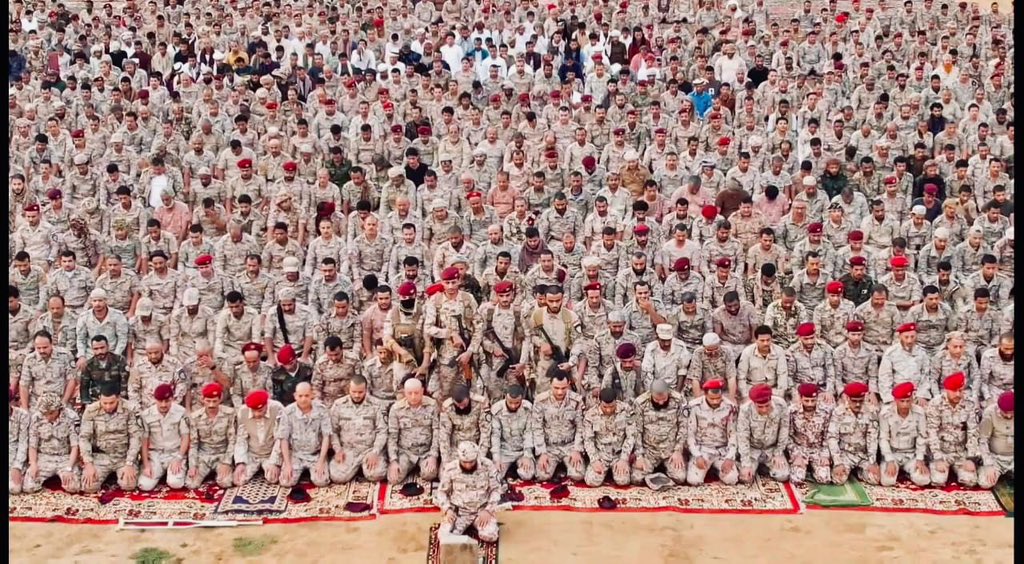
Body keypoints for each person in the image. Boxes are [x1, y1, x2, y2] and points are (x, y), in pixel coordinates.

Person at [79, 382, 141, 493]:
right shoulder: (91, 410)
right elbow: (84, 438)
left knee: (129, 485)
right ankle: (108, 475)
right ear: (99, 398)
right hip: (101, 456)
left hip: (123, 456)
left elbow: (135, 436)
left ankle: (118, 475)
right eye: (105, 403)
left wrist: (130, 463)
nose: (108, 406)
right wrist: (88, 464)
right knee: (88, 487)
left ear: (118, 398)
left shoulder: (129, 409)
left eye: (111, 403)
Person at [437, 441, 501, 543]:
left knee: (491, 535)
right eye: (464, 462)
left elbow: (496, 490)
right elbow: (441, 493)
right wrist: (447, 510)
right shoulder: (450, 468)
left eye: (471, 462)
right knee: (444, 537)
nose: (468, 466)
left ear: (477, 457)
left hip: (481, 511)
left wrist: (488, 510)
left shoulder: (487, 466)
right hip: (458, 512)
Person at [329, 376, 388, 483]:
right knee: (337, 477)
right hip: (348, 450)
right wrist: (338, 450)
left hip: (369, 449)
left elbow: (382, 431)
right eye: (354, 392)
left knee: (377, 475)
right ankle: (356, 468)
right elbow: (333, 431)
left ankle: (364, 467)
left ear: (366, 389)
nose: (357, 395)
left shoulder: (377, 404)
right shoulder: (338, 405)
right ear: (349, 389)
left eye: (360, 392)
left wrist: (375, 452)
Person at [529, 369, 585, 482]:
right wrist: (542, 452)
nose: (560, 392)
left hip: (570, 446)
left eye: (563, 388)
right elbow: (537, 428)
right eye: (556, 388)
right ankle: (556, 468)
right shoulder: (540, 401)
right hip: (549, 447)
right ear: (550, 384)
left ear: (568, 384)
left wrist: (577, 450)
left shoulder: (576, 401)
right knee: (542, 475)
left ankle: (568, 467)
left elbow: (581, 427)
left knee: (578, 476)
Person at [925, 373, 980, 487]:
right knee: (938, 481)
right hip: (942, 451)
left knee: (970, 481)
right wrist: (938, 458)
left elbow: (973, 432)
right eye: (954, 391)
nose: (958, 394)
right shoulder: (935, 404)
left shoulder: (970, 404)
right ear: (946, 390)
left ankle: (959, 469)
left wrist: (971, 458)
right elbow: (931, 432)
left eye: (961, 390)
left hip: (961, 452)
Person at [631, 380, 687, 486]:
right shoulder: (640, 402)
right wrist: (639, 456)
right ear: (650, 393)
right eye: (657, 400)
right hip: (649, 450)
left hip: (670, 449)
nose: (661, 403)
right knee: (636, 479)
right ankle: (657, 469)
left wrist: (678, 451)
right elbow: (636, 431)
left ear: (668, 392)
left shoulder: (679, 399)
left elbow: (683, 426)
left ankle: (665, 468)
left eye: (664, 399)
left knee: (680, 478)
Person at [277, 382, 332, 488]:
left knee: (322, 481)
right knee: (286, 482)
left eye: (307, 395)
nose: (303, 399)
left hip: (315, 454)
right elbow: (283, 439)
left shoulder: (321, 410)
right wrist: (288, 464)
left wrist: (321, 461)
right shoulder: (288, 412)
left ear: (312, 395)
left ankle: (319, 467)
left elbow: (326, 436)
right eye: (300, 396)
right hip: (296, 454)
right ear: (295, 396)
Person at [22, 394, 81, 494]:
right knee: (29, 487)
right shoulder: (37, 417)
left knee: (73, 488)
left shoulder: (71, 417)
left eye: (50, 413)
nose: (47, 417)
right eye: (44, 414)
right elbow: (33, 446)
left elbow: (75, 446)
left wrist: (69, 468)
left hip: (64, 458)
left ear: (58, 409)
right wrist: (33, 464)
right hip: (44, 457)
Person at [686, 379, 739, 486]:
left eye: (718, 398)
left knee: (732, 480)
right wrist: (697, 455)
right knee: (693, 481)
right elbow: (690, 435)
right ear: (705, 394)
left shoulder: (730, 407)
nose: (715, 401)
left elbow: (733, 435)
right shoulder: (694, 406)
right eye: (712, 399)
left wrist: (729, 458)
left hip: (722, 450)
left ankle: (716, 469)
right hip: (702, 449)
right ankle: (704, 467)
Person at [387, 378, 440, 483]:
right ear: (404, 392)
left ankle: (421, 468)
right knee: (394, 478)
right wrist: (393, 460)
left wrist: (433, 456)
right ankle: (408, 467)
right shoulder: (396, 409)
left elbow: (437, 431)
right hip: (405, 452)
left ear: (422, 391)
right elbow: (392, 436)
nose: (413, 397)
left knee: (430, 474)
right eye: (409, 393)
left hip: (426, 451)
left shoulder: (432, 405)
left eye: (416, 393)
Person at [827, 382, 881, 485]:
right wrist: (837, 462)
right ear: (847, 398)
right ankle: (850, 471)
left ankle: (860, 472)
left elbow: (872, 438)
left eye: (860, 401)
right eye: (854, 401)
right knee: (838, 480)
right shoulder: (839, 412)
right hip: (845, 454)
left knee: (875, 479)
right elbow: (832, 437)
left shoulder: (871, 411)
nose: (857, 404)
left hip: (863, 455)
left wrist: (872, 462)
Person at [138, 384, 189, 491]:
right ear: (154, 399)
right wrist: (146, 465)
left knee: (175, 483)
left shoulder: (181, 412)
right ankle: (159, 473)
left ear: (172, 399)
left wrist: (179, 458)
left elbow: (185, 437)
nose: (163, 404)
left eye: (167, 401)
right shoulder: (146, 415)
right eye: (160, 401)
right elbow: (144, 441)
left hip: (175, 453)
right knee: (144, 486)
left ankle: (171, 474)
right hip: (155, 455)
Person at [878, 383, 931, 487]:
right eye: (902, 401)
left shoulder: (919, 413)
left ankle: (908, 472)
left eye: (908, 401)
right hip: (893, 453)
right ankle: (896, 469)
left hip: (911, 454)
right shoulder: (885, 414)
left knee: (923, 480)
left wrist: (920, 459)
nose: (905, 405)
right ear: (895, 400)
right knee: (887, 481)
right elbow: (883, 439)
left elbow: (922, 436)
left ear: (912, 398)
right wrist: (889, 460)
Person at [185, 382, 235, 490]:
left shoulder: (230, 414)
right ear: (202, 399)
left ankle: (220, 472)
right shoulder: (195, 417)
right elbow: (193, 444)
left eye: (214, 401)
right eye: (208, 401)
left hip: (222, 454)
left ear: (220, 398)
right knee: (191, 484)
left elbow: (232, 441)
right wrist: (192, 466)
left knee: (225, 482)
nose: (211, 405)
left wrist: (227, 462)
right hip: (203, 456)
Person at [736, 384, 790, 483]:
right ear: (754, 403)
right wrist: (746, 464)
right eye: (760, 407)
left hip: (771, 449)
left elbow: (784, 429)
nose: (764, 409)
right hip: (753, 449)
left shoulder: (780, 405)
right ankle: (749, 465)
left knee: (783, 476)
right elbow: (743, 437)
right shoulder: (745, 410)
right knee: (745, 479)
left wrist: (778, 453)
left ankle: (763, 467)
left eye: (767, 406)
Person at [582, 387, 635, 487]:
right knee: (592, 481)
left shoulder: (627, 410)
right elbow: (588, 440)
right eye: (605, 407)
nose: (609, 410)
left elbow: (631, 436)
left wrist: (624, 459)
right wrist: (594, 460)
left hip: (619, 455)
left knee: (623, 481)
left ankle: (617, 470)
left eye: (612, 406)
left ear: (616, 401)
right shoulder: (591, 415)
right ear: (599, 401)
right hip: (601, 455)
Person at [233, 390, 284, 486]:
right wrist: (240, 462)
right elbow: (241, 439)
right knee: (238, 480)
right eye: (253, 411)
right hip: (252, 454)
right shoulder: (243, 412)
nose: (256, 414)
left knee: (273, 478)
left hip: (270, 453)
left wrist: (275, 462)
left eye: (260, 410)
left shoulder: (277, 408)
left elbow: (280, 439)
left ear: (266, 404)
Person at [787, 383, 833, 485]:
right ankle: (804, 468)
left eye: (813, 400)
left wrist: (825, 455)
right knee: (797, 479)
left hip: (818, 450)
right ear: (800, 398)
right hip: (799, 450)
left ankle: (813, 468)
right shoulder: (792, 411)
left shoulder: (825, 412)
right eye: (806, 401)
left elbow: (828, 436)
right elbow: (788, 437)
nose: (810, 404)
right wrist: (795, 455)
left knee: (824, 479)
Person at [977, 391, 1014, 490]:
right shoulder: (990, 413)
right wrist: (988, 465)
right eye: (1005, 413)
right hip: (996, 458)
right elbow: (982, 440)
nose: (1009, 416)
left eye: (1012, 412)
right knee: (985, 483)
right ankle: (983, 468)